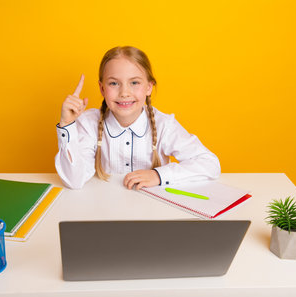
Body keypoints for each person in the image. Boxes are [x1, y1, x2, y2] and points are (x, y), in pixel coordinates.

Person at [55, 46, 220, 190]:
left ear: (149, 87)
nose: (124, 92)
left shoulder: (164, 125)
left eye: (134, 83)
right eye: (114, 83)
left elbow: (210, 163)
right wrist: (67, 125)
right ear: (102, 88)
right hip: (104, 210)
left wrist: (158, 175)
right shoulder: (88, 123)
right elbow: (74, 181)